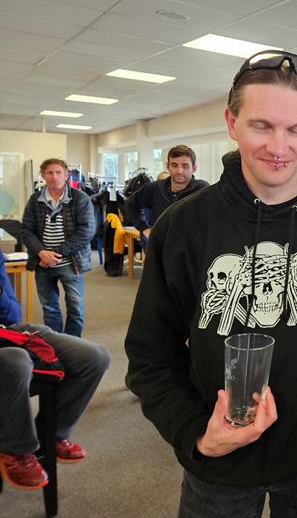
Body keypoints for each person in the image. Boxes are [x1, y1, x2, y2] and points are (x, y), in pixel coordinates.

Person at [125, 50, 297, 518]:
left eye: (295, 129)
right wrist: (196, 436)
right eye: (262, 126)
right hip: (217, 461)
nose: (279, 146)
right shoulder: (182, 226)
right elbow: (150, 356)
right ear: (232, 122)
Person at [0, 253, 110, 490]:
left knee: (94, 358)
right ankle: (16, 449)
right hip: (9, 352)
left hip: (7, 332)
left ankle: (49, 435)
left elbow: (11, 315)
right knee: (16, 361)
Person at [20, 159, 95, 337]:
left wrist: (54, 254)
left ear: (67, 174)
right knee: (49, 308)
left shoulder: (80, 198)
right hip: (42, 264)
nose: (54, 177)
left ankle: (73, 344)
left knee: (75, 307)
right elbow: (26, 230)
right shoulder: (34, 199)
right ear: (43, 175)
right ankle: (57, 346)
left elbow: (86, 231)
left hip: (70, 263)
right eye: (49, 173)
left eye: (58, 172)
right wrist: (41, 253)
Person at [124, 145, 209, 248]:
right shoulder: (154, 188)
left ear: (194, 168)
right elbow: (130, 204)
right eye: (174, 165)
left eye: (185, 166)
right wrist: (143, 227)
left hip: (191, 252)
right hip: (159, 250)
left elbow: (214, 220)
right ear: (168, 166)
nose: (179, 171)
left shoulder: (202, 190)